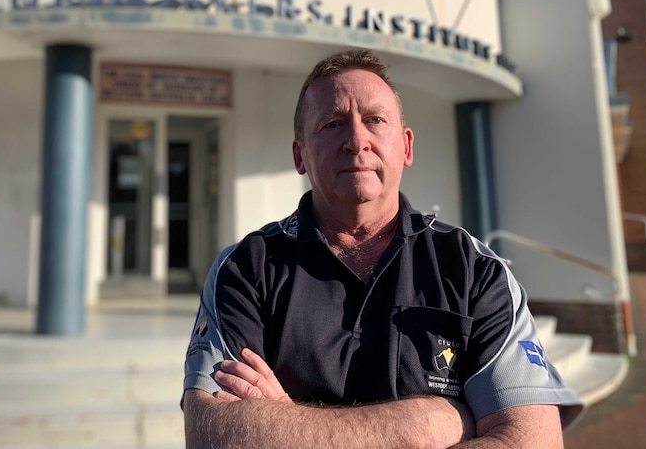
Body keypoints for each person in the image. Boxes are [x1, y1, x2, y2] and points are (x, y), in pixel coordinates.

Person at [182, 48, 582, 449]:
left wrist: (282, 422)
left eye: (374, 120)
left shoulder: (475, 270)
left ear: (406, 147)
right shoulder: (246, 269)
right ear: (299, 155)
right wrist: (425, 425)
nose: (356, 141)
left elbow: (532, 442)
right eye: (332, 123)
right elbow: (213, 435)